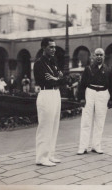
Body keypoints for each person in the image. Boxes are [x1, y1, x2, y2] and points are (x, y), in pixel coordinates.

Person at [33, 37, 67, 166]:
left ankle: (50, 154)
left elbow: (61, 77)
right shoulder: (39, 64)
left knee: (54, 126)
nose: (53, 49)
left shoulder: (52, 62)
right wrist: (57, 78)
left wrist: (56, 78)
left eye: (54, 47)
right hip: (46, 93)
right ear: (43, 47)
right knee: (45, 126)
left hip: (55, 93)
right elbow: (47, 81)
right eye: (51, 47)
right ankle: (41, 157)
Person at [77, 48, 112, 155]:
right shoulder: (88, 69)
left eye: (101, 55)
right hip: (90, 93)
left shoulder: (108, 70)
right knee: (86, 120)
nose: (99, 57)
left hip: (103, 94)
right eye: (97, 55)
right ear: (93, 56)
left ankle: (96, 145)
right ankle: (83, 147)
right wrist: (82, 98)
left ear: (104, 57)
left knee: (100, 120)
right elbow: (82, 85)